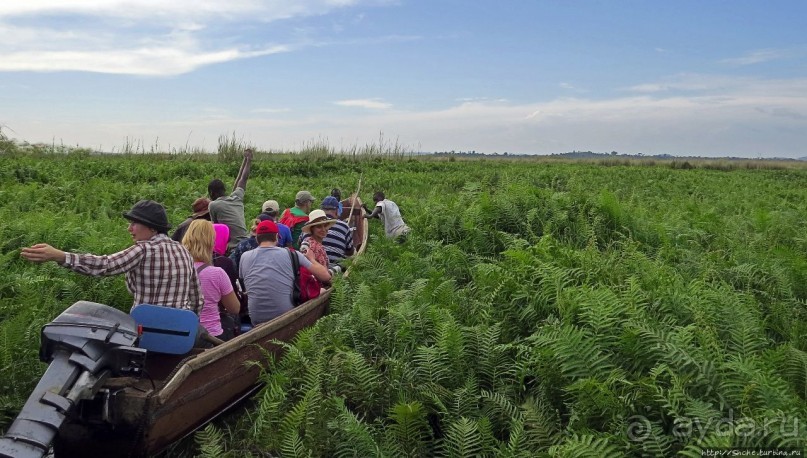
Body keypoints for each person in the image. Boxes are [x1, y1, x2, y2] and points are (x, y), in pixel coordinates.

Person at [20, 200, 203, 312]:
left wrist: (60, 256)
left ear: (152, 228)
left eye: (134, 223)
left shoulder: (143, 250)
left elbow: (104, 265)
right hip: (181, 332)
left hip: (148, 329)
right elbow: (196, 297)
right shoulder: (183, 251)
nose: (129, 229)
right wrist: (191, 321)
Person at [239, 220, 331, 326]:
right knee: (323, 290)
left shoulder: (244, 257)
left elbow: (244, 284)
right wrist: (312, 259)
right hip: (286, 316)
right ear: (277, 237)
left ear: (256, 238)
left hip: (256, 319)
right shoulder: (291, 253)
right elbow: (326, 276)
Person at [181, 220, 240, 340]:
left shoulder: (177, 269)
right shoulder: (217, 273)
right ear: (211, 242)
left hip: (184, 334)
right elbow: (234, 308)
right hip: (211, 335)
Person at [208, 148, 253, 253]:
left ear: (212, 193)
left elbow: (216, 230)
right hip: (246, 242)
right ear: (224, 190)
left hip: (233, 247)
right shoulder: (236, 198)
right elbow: (242, 179)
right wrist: (247, 160)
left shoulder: (214, 205)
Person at [319, 196, 355, 267]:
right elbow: (350, 252)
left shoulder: (309, 224)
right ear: (336, 210)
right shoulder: (344, 226)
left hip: (312, 270)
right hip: (335, 270)